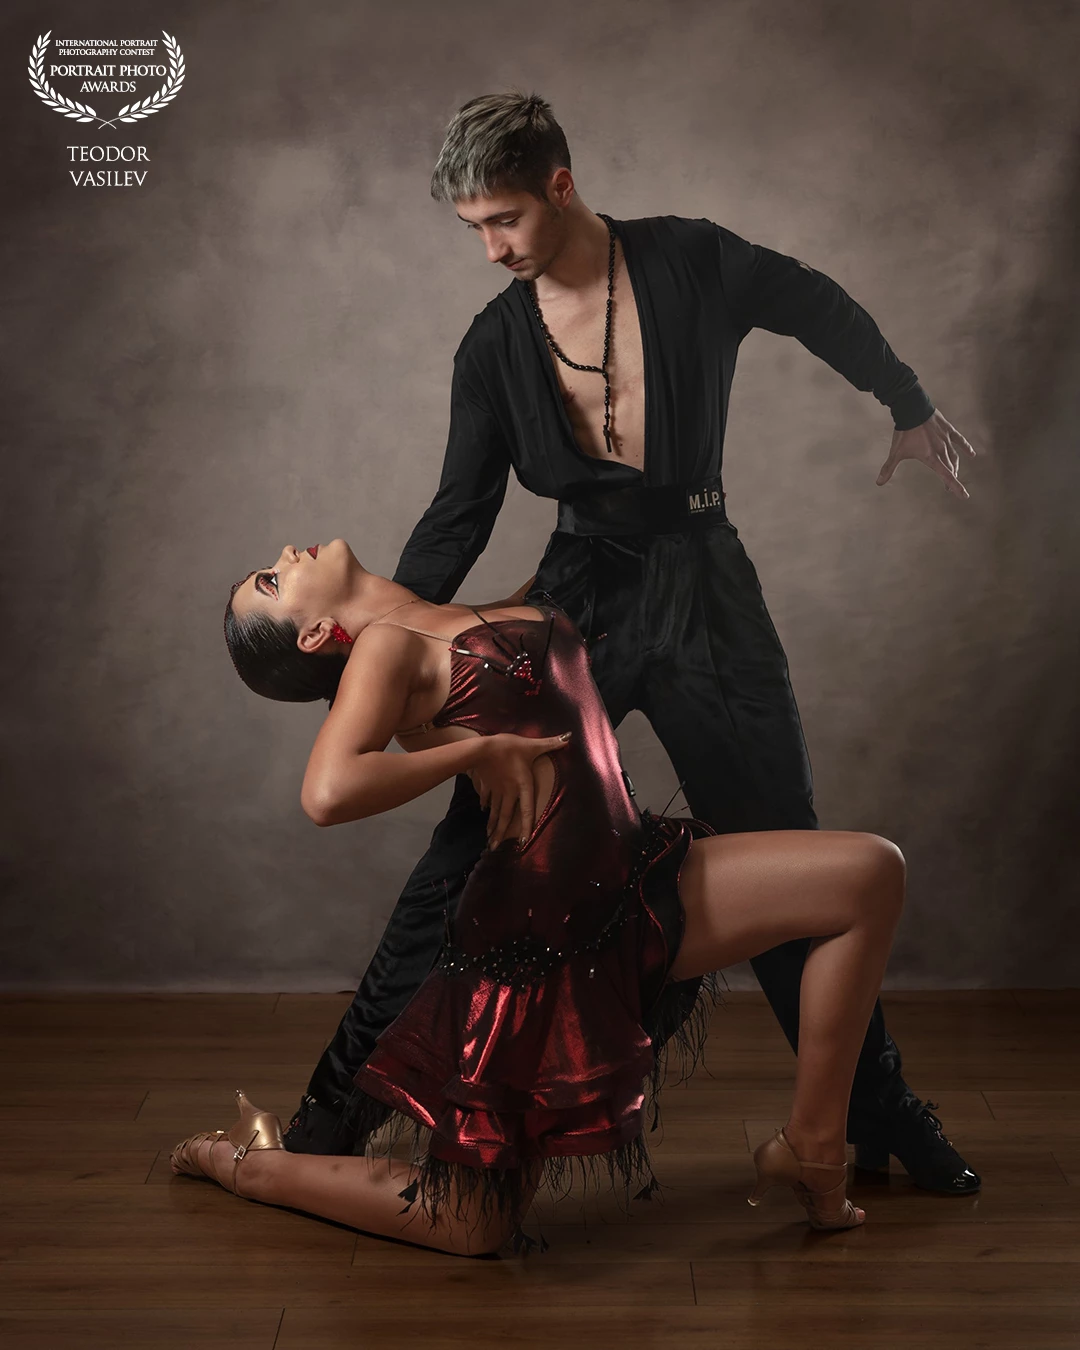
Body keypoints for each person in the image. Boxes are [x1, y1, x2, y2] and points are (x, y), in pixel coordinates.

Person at [284, 92, 980, 1195]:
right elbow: (458, 517)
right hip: (576, 603)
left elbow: (812, 300)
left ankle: (875, 1115)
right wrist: (374, 656)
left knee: (785, 844)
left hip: (708, 590)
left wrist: (906, 401)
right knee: (467, 856)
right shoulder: (492, 346)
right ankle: (330, 1116)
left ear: (560, 185)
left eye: (505, 218)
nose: (490, 248)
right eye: (472, 228)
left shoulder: (691, 259)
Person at [171, 537, 907, 1256]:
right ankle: (254, 1167)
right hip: (545, 944)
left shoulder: (449, 615)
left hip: (636, 886)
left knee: (870, 875)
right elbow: (327, 792)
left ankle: (813, 1148)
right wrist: (479, 752)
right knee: (471, 1225)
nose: (286, 555)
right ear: (314, 636)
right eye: (271, 582)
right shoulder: (384, 648)